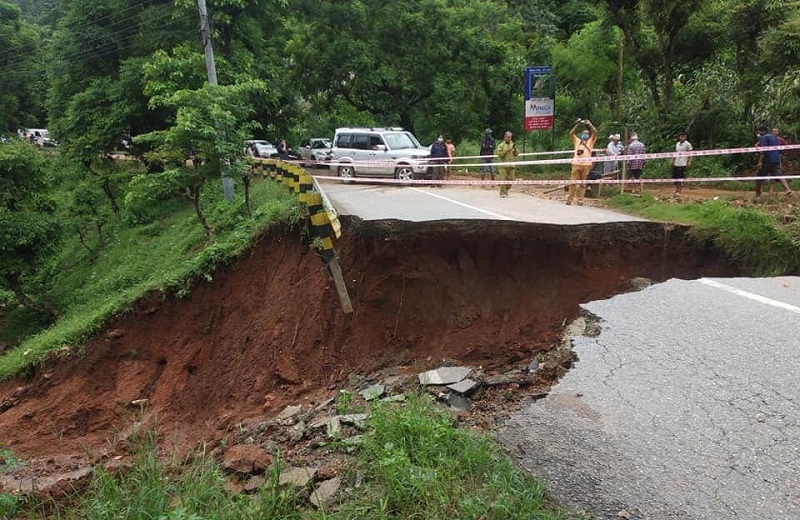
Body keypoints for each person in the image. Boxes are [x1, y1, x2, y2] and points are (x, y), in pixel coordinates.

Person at [755, 126, 791, 200]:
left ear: (763, 131)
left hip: (767, 160)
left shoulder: (764, 137)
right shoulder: (776, 138)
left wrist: (760, 162)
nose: (758, 133)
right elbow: (779, 149)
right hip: (775, 159)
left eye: (759, 132)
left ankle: (758, 195)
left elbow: (764, 151)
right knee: (778, 174)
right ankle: (787, 189)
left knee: (758, 176)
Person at [567, 119, 598, 205]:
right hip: (576, 164)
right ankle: (569, 199)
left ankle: (580, 201)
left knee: (582, 184)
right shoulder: (577, 141)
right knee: (573, 183)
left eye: (587, 133)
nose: (585, 134)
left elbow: (595, 133)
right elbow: (571, 134)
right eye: (584, 133)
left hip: (586, 165)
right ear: (581, 135)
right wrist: (577, 125)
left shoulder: (590, 141)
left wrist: (590, 125)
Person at [496, 131, 518, 198]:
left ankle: (505, 190)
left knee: (511, 180)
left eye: (510, 137)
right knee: (503, 179)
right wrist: (507, 150)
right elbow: (500, 155)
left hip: (511, 165)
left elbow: (516, 154)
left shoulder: (512, 144)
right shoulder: (501, 145)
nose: (509, 138)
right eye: (508, 137)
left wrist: (515, 150)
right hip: (503, 166)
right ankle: (502, 193)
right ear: (505, 137)